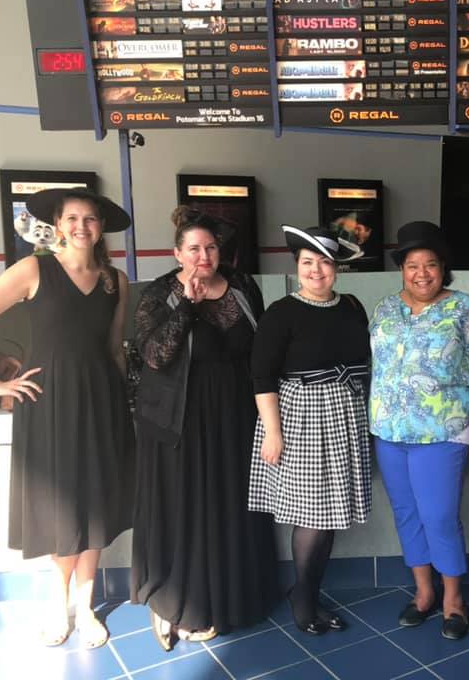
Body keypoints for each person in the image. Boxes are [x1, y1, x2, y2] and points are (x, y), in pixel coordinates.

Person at [0, 188, 134, 649]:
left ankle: (88, 605)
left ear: (101, 227)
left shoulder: (117, 281)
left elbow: (114, 349)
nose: (81, 226)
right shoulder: (34, 269)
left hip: (103, 402)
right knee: (62, 508)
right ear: (57, 225)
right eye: (72, 218)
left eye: (90, 218)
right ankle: (59, 605)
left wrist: (127, 404)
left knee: (96, 504)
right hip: (50, 403)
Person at [132, 208, 278, 650]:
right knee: (183, 509)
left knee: (231, 505)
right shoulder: (159, 294)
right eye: (193, 248)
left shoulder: (243, 286)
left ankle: (234, 598)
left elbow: (262, 349)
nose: (203, 256)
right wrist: (189, 305)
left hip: (235, 417)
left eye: (210, 247)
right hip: (177, 421)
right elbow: (155, 355)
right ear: (177, 253)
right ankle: (172, 605)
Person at [369, 221, 469, 640]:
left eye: (430, 264)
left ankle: (453, 599)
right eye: (412, 265)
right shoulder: (385, 309)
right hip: (390, 432)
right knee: (407, 514)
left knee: (439, 517)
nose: (421, 273)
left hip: (442, 432)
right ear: (402, 270)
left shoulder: (466, 310)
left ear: (443, 268)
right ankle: (423, 593)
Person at [248, 226, 371, 635]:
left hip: (346, 415)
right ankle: (304, 597)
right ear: (296, 267)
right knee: (313, 516)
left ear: (336, 267)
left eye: (323, 261)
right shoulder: (281, 313)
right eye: (307, 262)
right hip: (301, 418)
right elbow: (262, 376)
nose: (315, 270)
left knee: (332, 513)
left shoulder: (352, 306)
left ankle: (308, 590)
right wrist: (273, 432)